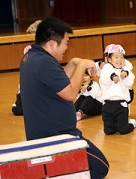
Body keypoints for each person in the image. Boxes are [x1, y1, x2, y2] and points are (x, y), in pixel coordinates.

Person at [20, 17, 109, 178]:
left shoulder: (33, 56)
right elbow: (70, 93)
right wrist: (82, 65)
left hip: (44, 134)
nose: (66, 48)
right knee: (100, 167)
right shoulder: (44, 63)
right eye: (66, 43)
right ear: (52, 43)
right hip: (57, 137)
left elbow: (59, 83)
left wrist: (74, 62)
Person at [99, 44, 136, 135]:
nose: (119, 60)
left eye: (121, 57)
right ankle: (115, 124)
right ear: (108, 59)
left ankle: (131, 123)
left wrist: (125, 74)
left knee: (122, 130)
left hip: (121, 105)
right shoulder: (106, 69)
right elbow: (104, 79)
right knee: (108, 131)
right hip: (107, 104)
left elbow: (130, 82)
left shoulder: (125, 70)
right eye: (116, 57)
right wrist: (113, 77)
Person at [11, 45, 32, 116]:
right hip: (24, 93)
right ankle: (16, 104)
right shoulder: (25, 66)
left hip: (35, 94)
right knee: (19, 111)